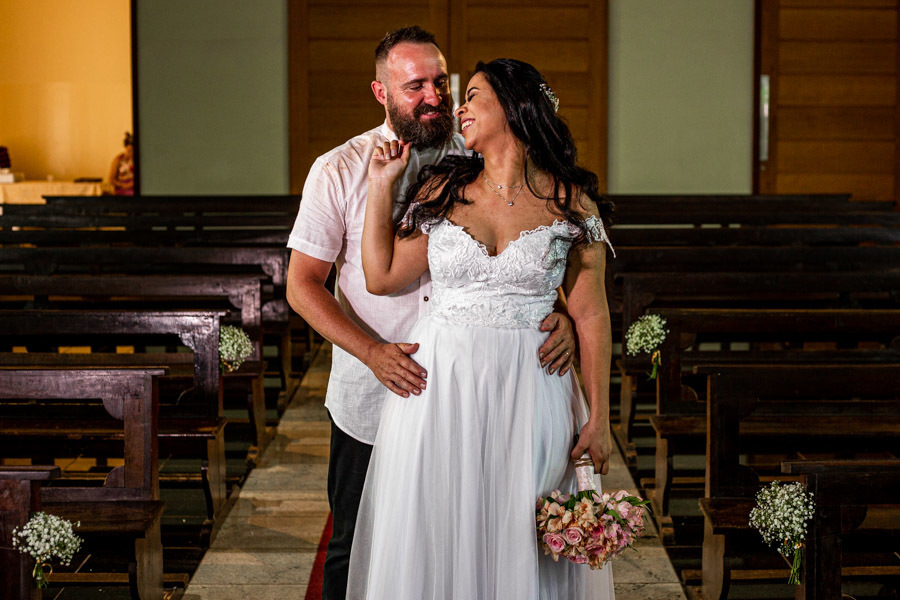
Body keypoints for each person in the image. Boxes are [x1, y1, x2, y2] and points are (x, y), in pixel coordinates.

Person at [285, 28, 577, 600]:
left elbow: (527, 257)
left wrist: (560, 314)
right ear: (382, 92)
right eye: (415, 85)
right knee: (357, 543)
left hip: (464, 398)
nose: (434, 97)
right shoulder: (338, 168)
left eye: (440, 83)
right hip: (373, 391)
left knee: (457, 540)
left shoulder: (476, 156)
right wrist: (372, 353)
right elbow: (302, 286)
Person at [347, 58, 616, 599]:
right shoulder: (443, 190)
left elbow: (591, 314)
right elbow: (381, 276)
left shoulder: (570, 202)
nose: (460, 108)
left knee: (522, 526)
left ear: (514, 107)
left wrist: (600, 416)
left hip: (533, 389)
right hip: (442, 389)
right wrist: (380, 185)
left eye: (472, 96)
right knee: (441, 524)